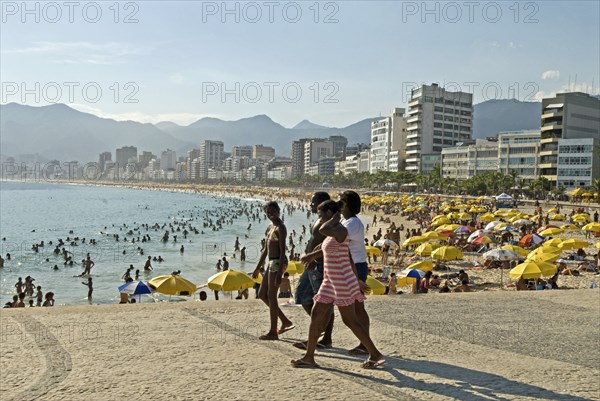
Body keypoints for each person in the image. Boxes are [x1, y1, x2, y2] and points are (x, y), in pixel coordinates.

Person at [291, 200, 384, 369]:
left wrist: (336, 217)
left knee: (350, 321)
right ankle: (309, 357)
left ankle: (375, 354)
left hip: (341, 280)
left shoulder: (340, 230)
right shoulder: (334, 234)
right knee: (316, 314)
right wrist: (312, 256)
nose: (319, 217)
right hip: (330, 281)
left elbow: (322, 229)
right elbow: (347, 256)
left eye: (321, 214)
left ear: (330, 213)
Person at [296, 192, 334, 349]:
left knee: (324, 303)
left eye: (313, 202)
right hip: (311, 264)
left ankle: (324, 337)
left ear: (321, 202)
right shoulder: (321, 219)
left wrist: (314, 258)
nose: (310, 204)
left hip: (318, 265)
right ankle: (320, 331)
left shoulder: (330, 223)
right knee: (302, 296)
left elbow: (329, 244)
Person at [252, 201, 294, 340]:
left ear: (278, 210)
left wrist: (280, 273)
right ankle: (285, 321)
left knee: (271, 296)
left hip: (278, 262)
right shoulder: (271, 227)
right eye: (267, 212)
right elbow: (265, 250)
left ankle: (273, 331)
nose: (270, 214)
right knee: (262, 294)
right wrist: (257, 267)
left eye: (272, 211)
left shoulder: (281, 227)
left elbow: (282, 251)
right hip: (271, 263)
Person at [340, 190, 373, 355]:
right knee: (358, 307)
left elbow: (336, 237)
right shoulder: (347, 221)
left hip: (356, 266)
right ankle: (364, 342)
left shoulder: (352, 223)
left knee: (358, 307)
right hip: (352, 265)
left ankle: (364, 343)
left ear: (346, 204)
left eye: (341, 201)